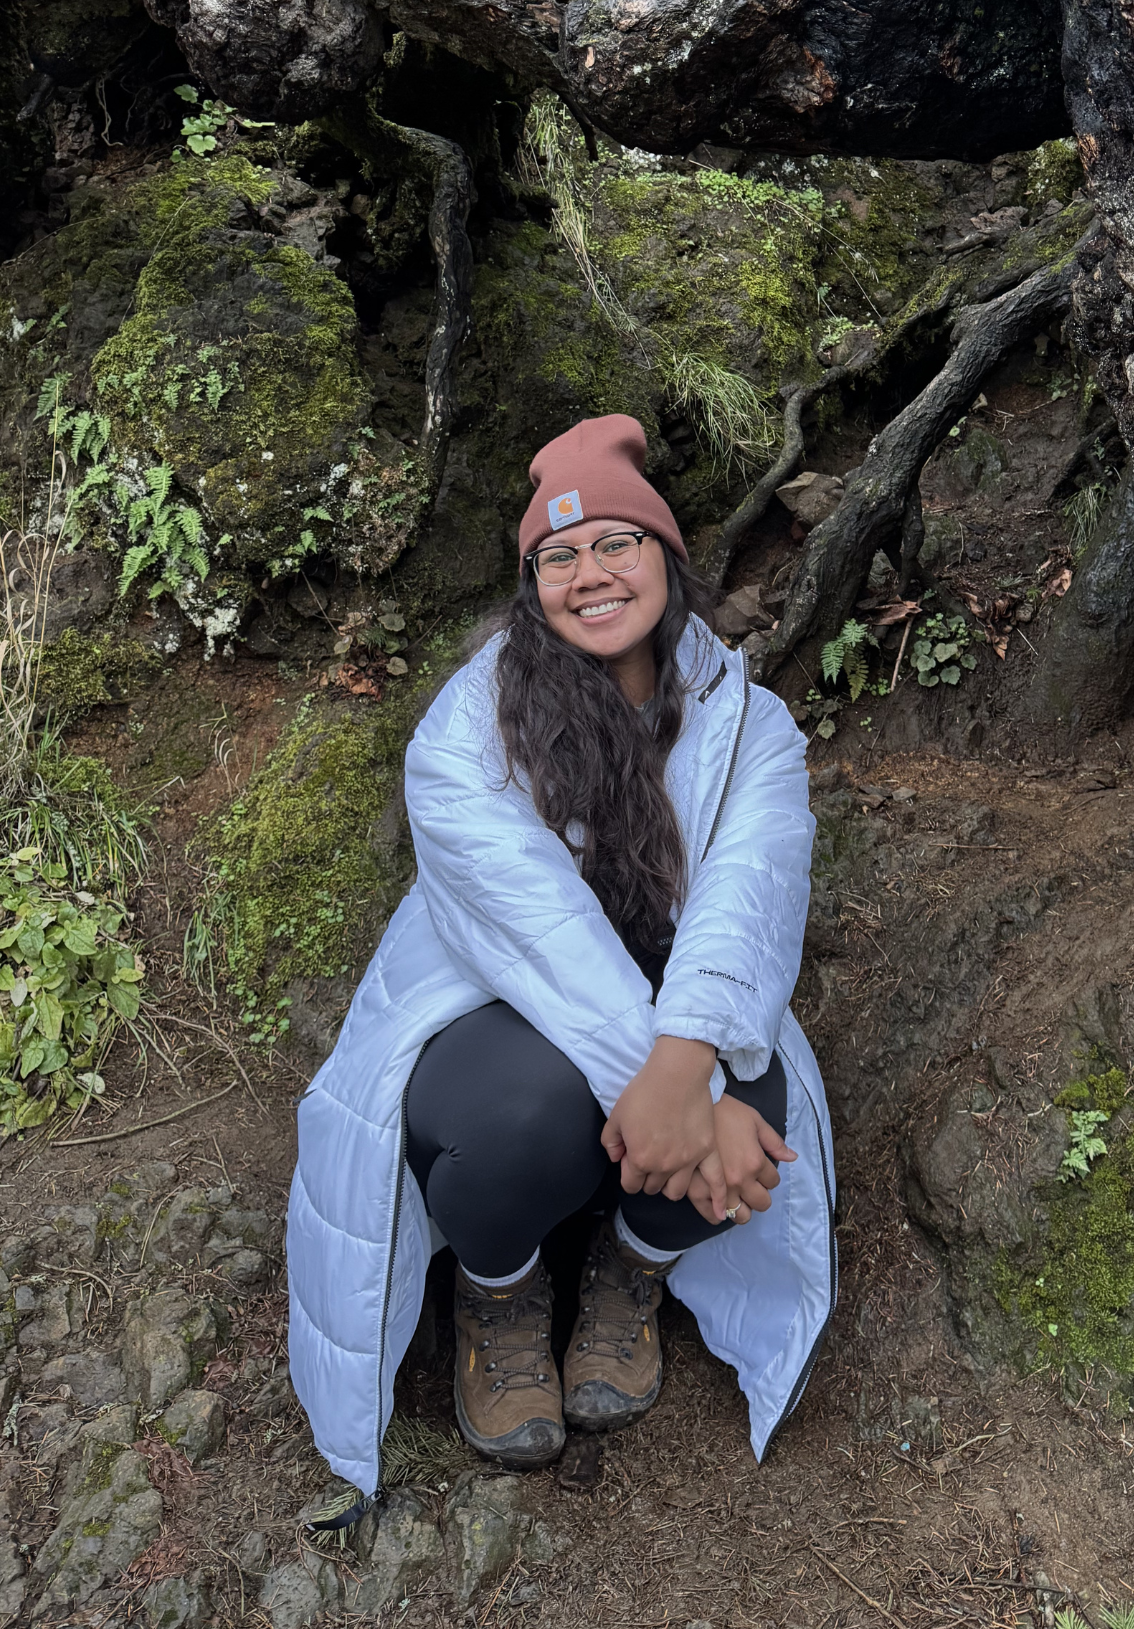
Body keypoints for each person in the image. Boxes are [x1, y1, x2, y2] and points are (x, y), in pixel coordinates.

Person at [287, 415, 836, 1510]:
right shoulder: (464, 732)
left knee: (758, 1092)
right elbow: (541, 934)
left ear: (666, 558)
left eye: (616, 544)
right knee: (522, 1114)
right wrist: (685, 1096)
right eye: (559, 554)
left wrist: (696, 1075)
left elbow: (746, 904)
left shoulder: (751, 725)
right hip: (495, 1006)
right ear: (532, 579)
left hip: (674, 1010)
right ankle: (499, 1290)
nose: (590, 574)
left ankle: (632, 1267)